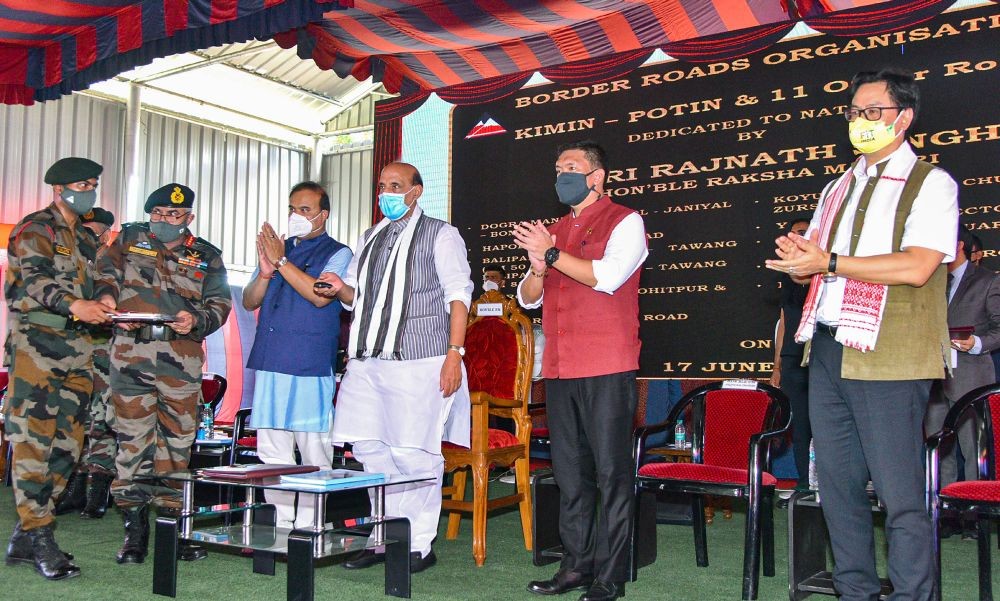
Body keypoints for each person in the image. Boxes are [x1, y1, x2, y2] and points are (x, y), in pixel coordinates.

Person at [766, 68, 958, 601]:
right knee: (837, 489)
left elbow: (918, 266)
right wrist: (801, 262)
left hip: (889, 352)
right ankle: (855, 591)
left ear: (904, 118)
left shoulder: (931, 182)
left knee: (899, 494)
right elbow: (820, 268)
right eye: (854, 112)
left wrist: (828, 261)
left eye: (873, 111)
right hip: (828, 346)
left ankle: (914, 594)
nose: (860, 120)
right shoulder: (837, 187)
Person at [313, 161, 473, 574]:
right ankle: (384, 536)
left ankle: (418, 544)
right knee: (370, 450)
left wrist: (455, 353)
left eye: (396, 186)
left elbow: (459, 295)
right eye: (382, 185)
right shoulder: (370, 236)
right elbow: (357, 296)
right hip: (367, 360)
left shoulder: (441, 234)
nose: (386, 193)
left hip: (420, 359)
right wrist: (339, 288)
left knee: (413, 453)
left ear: (416, 191)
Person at [513, 140, 648, 601]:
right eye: (557, 168)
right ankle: (575, 567)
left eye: (571, 167)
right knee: (569, 474)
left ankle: (611, 575)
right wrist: (538, 265)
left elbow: (608, 277)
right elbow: (528, 297)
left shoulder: (626, 221)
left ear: (597, 176)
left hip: (607, 365)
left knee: (611, 474)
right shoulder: (551, 231)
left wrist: (551, 255)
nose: (562, 175)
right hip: (560, 368)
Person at [95, 183, 232, 565]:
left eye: (173, 215)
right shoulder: (128, 240)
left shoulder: (206, 256)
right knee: (132, 443)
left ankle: (175, 530)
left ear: (189, 217)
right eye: (157, 213)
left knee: (177, 446)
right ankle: (134, 532)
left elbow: (220, 304)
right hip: (131, 355)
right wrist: (108, 302)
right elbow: (103, 276)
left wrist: (197, 319)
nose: (164, 220)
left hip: (180, 360)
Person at [3, 157, 115, 580]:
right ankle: (39, 533)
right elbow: (34, 281)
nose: (89, 192)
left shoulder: (84, 237)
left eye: (92, 184)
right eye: (82, 185)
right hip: (37, 346)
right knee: (33, 441)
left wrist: (104, 296)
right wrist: (75, 305)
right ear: (59, 188)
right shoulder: (36, 228)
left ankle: (25, 536)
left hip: (79, 349)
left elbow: (99, 276)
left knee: (68, 446)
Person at [243, 181, 352, 529]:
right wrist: (265, 272)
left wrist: (281, 261)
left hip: (309, 362)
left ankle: (311, 525)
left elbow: (320, 296)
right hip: (271, 359)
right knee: (272, 450)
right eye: (292, 209)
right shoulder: (280, 249)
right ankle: (282, 522)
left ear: (324, 215)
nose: (296, 216)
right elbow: (249, 300)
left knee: (313, 448)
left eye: (305, 210)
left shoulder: (339, 253)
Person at [925, 224, 1000, 539]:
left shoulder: (988, 280)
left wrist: (977, 343)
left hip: (972, 376)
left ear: (957, 245)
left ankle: (974, 517)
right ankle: (945, 514)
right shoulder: (930, 280)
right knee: (938, 447)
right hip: (934, 377)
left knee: (973, 449)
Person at [53, 207, 119, 519]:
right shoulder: (72, 261)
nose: (86, 237)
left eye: (93, 232)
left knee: (102, 420)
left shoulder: (117, 264)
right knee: (74, 418)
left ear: (106, 235)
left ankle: (98, 492)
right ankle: (75, 489)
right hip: (74, 349)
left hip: (106, 350)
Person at [769, 214, 813, 492]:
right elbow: (784, 320)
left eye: (804, 232)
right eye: (795, 233)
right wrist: (777, 366)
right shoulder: (788, 277)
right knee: (799, 428)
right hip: (792, 360)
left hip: (819, 359)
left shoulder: (823, 272)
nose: (799, 237)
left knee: (825, 427)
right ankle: (805, 485)